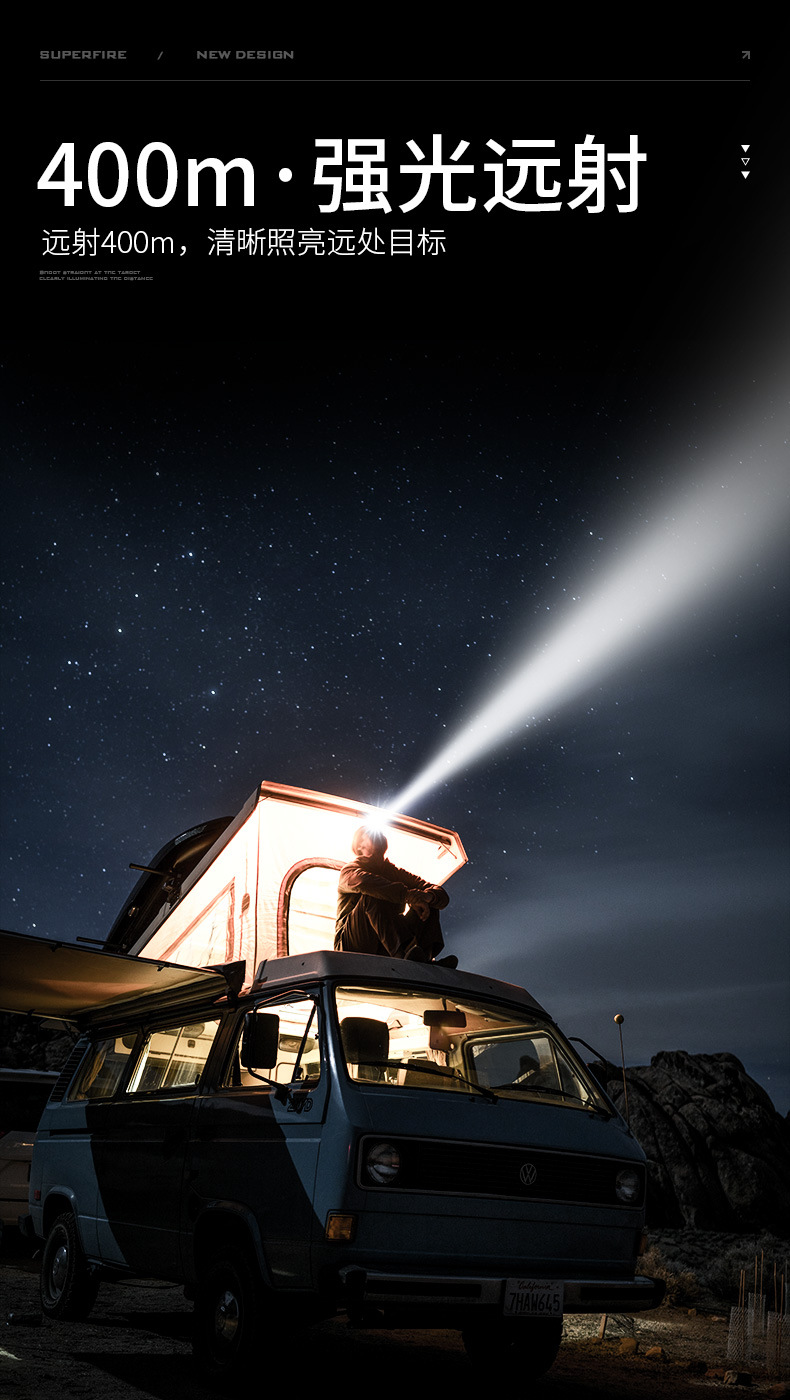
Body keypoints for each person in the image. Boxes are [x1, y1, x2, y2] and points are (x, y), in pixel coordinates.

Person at [335, 826, 457, 967]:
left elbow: (440, 894)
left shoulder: (395, 873)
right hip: (351, 945)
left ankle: (425, 959)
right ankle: (404, 954)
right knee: (375, 893)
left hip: (386, 943)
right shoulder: (349, 870)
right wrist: (407, 895)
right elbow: (364, 882)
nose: (376, 836)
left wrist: (428, 896)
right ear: (359, 846)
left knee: (428, 901)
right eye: (369, 834)